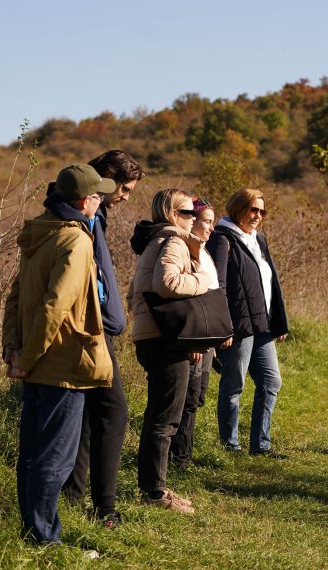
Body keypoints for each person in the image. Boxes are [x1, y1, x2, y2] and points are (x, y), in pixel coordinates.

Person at [2, 164, 116, 544]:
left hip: (34, 363)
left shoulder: (39, 232)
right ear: (85, 201)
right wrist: (29, 356)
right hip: (62, 364)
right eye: (99, 196)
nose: (101, 201)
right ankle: (44, 539)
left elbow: (15, 297)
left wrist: (14, 350)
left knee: (32, 455)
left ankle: (32, 531)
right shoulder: (76, 240)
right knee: (55, 458)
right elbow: (56, 306)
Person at [62, 149, 144, 528]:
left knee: (88, 413)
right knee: (113, 411)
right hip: (86, 327)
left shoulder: (98, 216)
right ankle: (105, 507)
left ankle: (73, 495)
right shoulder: (80, 217)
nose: (127, 196)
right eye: (124, 188)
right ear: (106, 181)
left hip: (95, 325)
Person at [129, 188, 218, 513]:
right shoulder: (172, 241)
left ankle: (155, 488)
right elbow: (166, 284)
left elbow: (134, 291)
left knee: (160, 416)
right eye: (187, 213)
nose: (193, 218)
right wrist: (203, 284)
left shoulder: (154, 243)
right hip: (166, 341)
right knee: (165, 420)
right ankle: (155, 493)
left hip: (153, 337)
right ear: (171, 214)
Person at [207, 188, 289, 458]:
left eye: (262, 211)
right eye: (253, 209)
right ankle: (229, 447)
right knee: (234, 385)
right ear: (238, 208)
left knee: (271, 382)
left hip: (262, 325)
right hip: (238, 327)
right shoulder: (222, 239)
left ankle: (260, 444)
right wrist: (223, 325)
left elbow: (269, 281)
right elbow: (217, 285)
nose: (258, 216)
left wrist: (278, 322)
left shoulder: (257, 239)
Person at [169, 197, 216, 469]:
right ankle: (179, 461)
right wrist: (195, 338)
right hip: (194, 337)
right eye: (206, 221)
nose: (211, 228)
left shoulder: (203, 251)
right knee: (187, 399)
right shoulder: (183, 250)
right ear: (192, 220)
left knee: (197, 397)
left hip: (207, 337)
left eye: (212, 222)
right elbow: (189, 297)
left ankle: (184, 455)